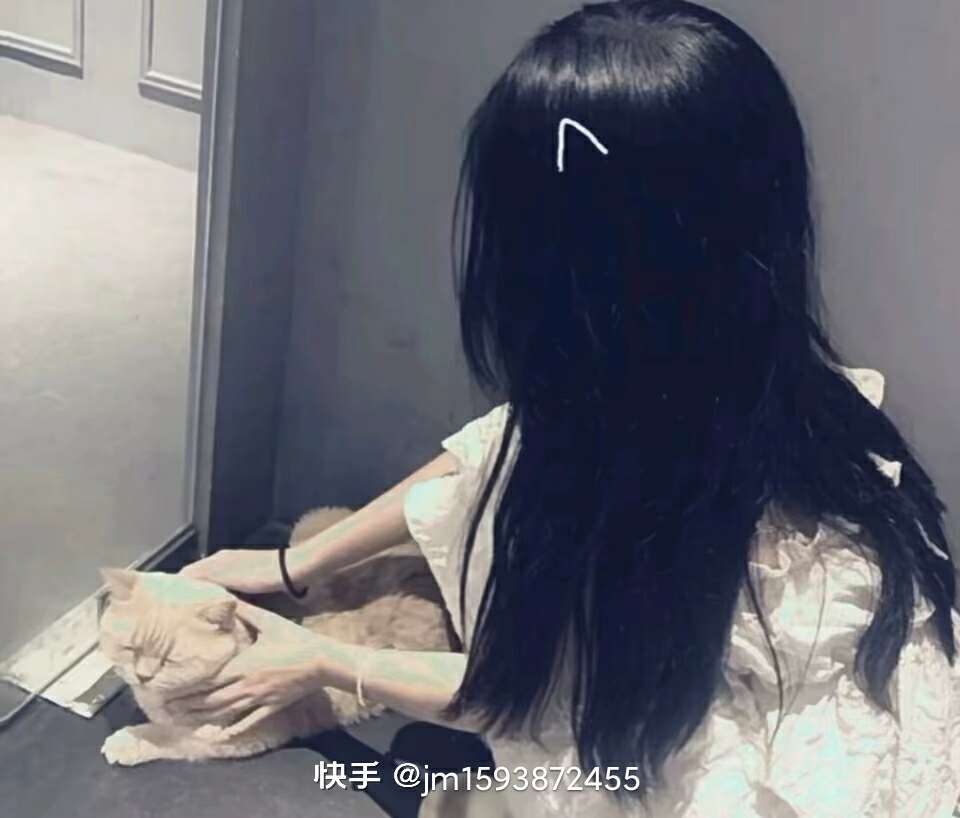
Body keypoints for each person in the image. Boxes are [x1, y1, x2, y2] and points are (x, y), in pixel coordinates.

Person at [178, 2, 960, 815]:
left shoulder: (673, 524)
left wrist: (320, 661)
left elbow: (526, 700)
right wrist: (295, 564)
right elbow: (493, 450)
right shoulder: (752, 385)